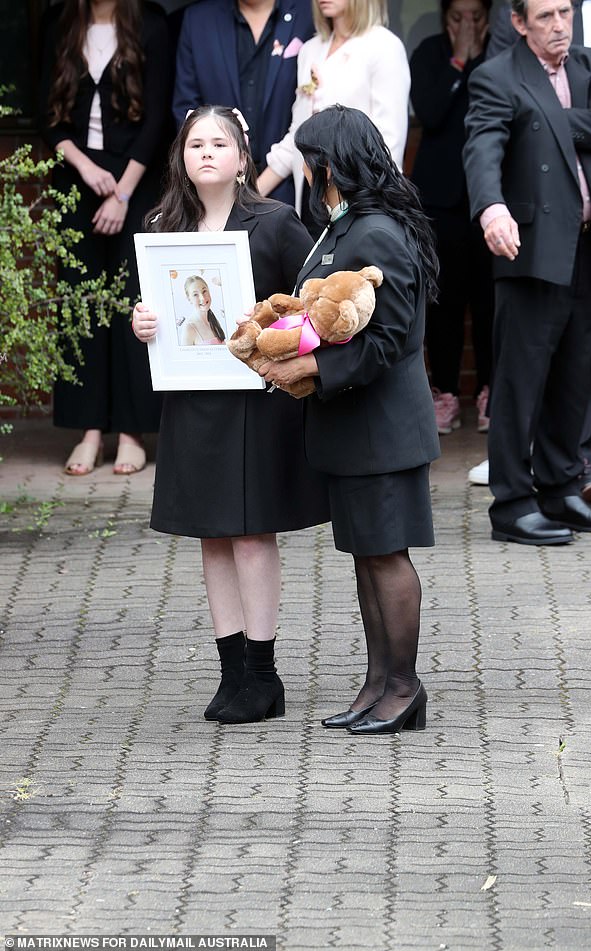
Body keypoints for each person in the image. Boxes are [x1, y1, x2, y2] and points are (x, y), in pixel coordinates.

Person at [132, 105, 330, 724]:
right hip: (193, 401)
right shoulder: (165, 223)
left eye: (221, 143)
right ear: (182, 159)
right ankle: (231, 673)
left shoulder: (275, 223)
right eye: (196, 144)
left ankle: (263, 674)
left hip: (256, 404)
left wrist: (276, 339)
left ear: (244, 158)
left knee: (251, 533)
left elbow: (313, 303)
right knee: (211, 535)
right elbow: (159, 305)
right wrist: (144, 322)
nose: (208, 153)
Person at [258, 105, 440, 735]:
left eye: (311, 162)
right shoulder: (346, 228)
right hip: (355, 428)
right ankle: (376, 683)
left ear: (331, 165)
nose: (307, 174)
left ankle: (404, 689)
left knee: (386, 556)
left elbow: (387, 340)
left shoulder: (374, 234)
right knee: (366, 555)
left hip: (381, 428)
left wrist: (313, 376)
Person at [463, 0, 591, 545]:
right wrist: (491, 208)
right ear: (518, 23)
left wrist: (546, 120)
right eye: (545, 17)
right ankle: (512, 504)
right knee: (520, 382)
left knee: (573, 377)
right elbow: (483, 147)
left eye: (564, 12)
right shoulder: (496, 76)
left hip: (589, 246)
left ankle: (562, 490)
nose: (560, 25)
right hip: (530, 249)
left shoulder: (590, 67)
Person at [39, 0, 171, 475]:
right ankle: (89, 428)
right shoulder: (60, 21)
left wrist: (122, 193)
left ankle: (133, 432)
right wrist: (86, 169)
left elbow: (158, 118)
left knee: (134, 303)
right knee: (82, 301)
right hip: (79, 178)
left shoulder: (151, 23)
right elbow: (47, 114)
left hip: (135, 182)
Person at [409, 0, 495, 437]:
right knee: (441, 301)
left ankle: (489, 392)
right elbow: (429, 111)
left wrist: (477, 55)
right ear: (445, 18)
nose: (468, 24)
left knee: (490, 300)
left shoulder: (501, 52)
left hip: (492, 199)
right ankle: (443, 393)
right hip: (440, 199)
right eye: (459, 16)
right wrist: (460, 59)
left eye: (476, 16)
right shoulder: (429, 52)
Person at [256, 0, 411, 225]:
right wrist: (251, 195)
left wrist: (374, 214)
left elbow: (389, 142)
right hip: (312, 197)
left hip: (360, 200)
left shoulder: (384, 45)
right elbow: (297, 135)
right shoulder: (310, 49)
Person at [172, 0, 315, 206]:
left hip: (291, 182)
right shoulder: (198, 19)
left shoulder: (309, 12)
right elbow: (186, 107)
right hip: (217, 189)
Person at [179, 276, 226, 347]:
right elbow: (184, 358)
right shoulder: (189, 328)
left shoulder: (213, 321)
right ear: (189, 299)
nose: (202, 298)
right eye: (195, 295)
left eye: (204, 291)